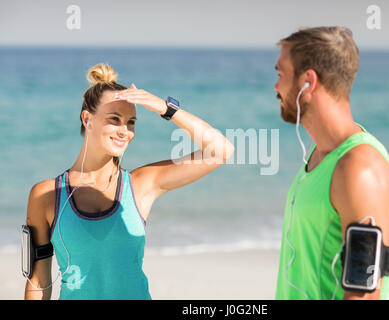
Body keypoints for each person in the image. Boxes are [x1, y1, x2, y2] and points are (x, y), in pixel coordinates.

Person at [24, 63, 235, 300]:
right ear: (87, 119)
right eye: (115, 119)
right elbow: (39, 279)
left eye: (131, 122)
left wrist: (167, 109)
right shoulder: (46, 195)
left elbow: (220, 150)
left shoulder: (141, 184)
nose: (125, 131)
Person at [274, 27, 389, 300]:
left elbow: (364, 294)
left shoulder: (359, 169)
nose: (276, 87)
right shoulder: (318, 156)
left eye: (280, 74)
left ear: (308, 81)